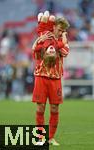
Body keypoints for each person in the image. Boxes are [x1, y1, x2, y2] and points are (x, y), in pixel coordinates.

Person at [32, 11, 70, 146]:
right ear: (53, 27)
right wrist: (39, 42)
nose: (61, 33)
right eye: (60, 30)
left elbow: (65, 52)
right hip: (41, 77)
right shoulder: (44, 37)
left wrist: (61, 41)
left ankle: (50, 137)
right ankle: (40, 138)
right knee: (40, 108)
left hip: (55, 78)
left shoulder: (61, 40)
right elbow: (36, 52)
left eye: (63, 31)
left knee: (54, 109)